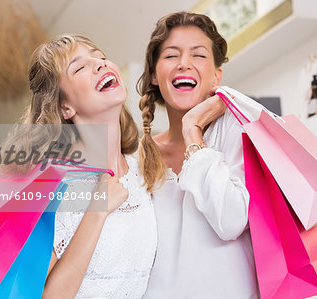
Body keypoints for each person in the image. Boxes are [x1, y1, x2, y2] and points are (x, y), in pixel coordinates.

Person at [21, 34, 156, 298]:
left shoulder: (145, 167)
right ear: (64, 107)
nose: (100, 64)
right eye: (80, 67)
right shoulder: (55, 186)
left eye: (101, 57)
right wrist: (97, 209)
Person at [137, 12, 259, 298]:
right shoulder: (136, 157)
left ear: (217, 76)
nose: (184, 64)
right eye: (171, 55)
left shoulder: (237, 133)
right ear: (154, 75)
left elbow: (231, 221)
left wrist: (193, 130)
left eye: (198, 55)